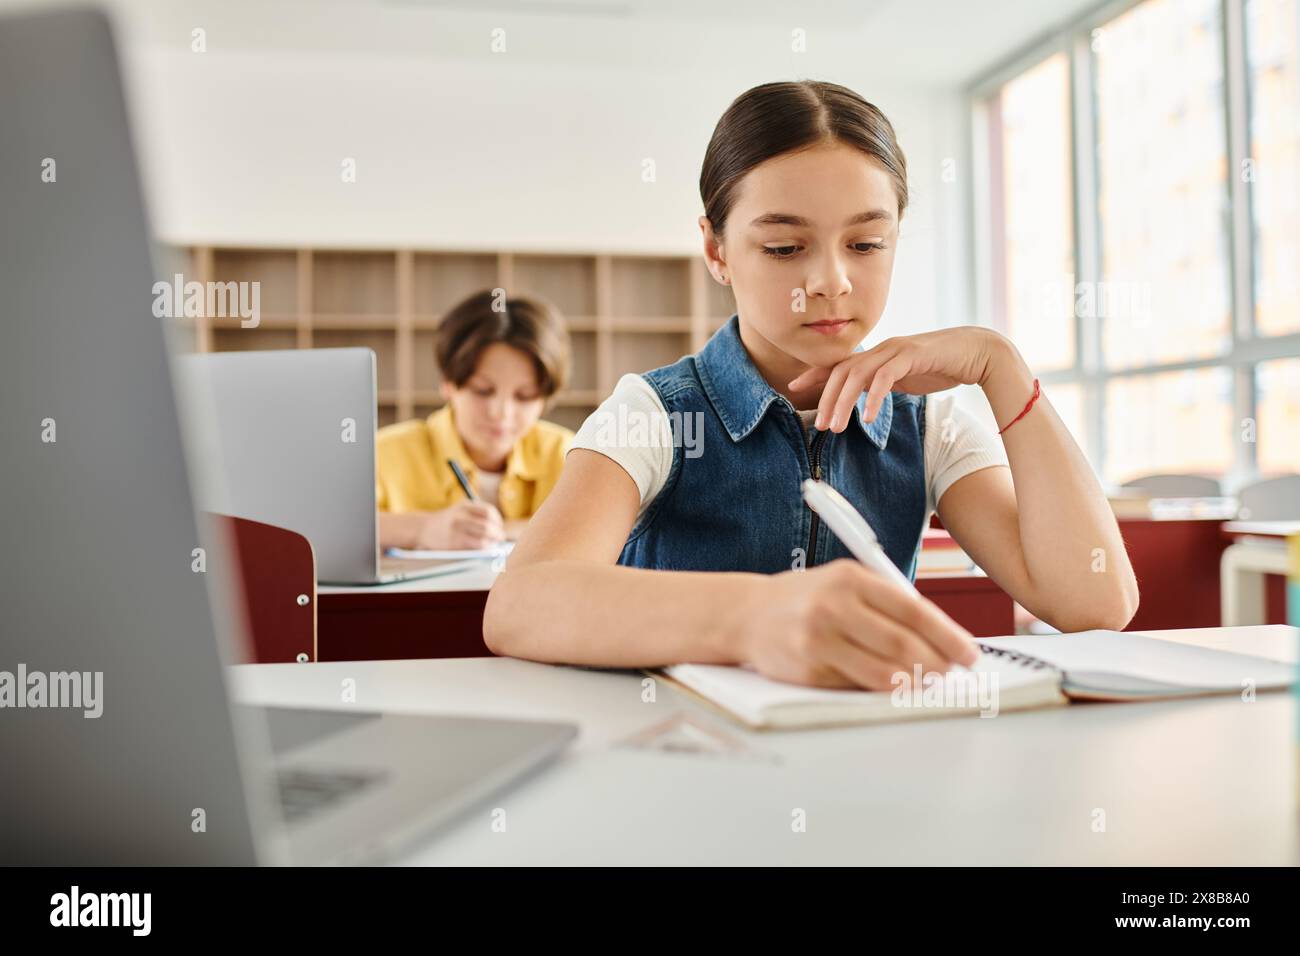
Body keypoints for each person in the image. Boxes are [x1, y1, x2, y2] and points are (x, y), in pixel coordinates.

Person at [485, 80, 1139, 689]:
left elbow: (1096, 601)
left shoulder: (927, 423)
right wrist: (754, 617)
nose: (831, 281)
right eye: (784, 248)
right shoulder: (657, 412)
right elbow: (519, 606)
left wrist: (1002, 367)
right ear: (716, 250)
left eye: (866, 243)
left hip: (865, 769)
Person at [376, 289, 573, 551]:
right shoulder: (383, 453)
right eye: (482, 390)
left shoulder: (569, 455)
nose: (501, 413)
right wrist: (422, 529)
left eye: (524, 396)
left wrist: (505, 529)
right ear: (447, 383)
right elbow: (321, 531)